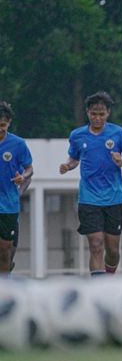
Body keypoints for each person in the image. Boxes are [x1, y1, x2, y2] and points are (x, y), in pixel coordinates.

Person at [60, 92, 122, 276]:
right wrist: (67, 165)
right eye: (94, 114)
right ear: (88, 112)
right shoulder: (77, 135)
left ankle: (109, 276)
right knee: (95, 244)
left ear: (108, 113)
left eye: (101, 114)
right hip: (89, 198)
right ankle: (98, 287)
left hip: (114, 197)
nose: (98, 118)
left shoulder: (119, 134)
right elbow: (74, 158)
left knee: (112, 250)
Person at [0, 102, 33, 274]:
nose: (0, 129)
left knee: (6, 253)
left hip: (8, 207)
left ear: (8, 123)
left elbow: (29, 169)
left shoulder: (18, 144)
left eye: (2, 125)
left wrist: (23, 178)